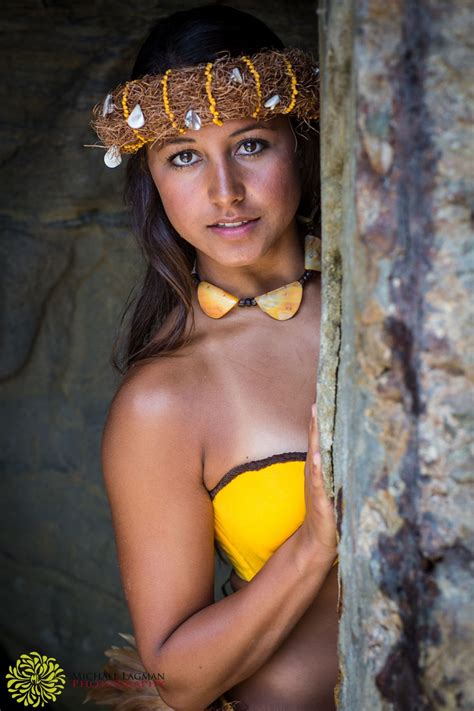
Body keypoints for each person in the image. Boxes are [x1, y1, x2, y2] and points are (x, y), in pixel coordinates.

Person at [86, 5, 339, 710]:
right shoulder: (163, 398)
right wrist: (314, 544)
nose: (224, 191)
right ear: (153, 178)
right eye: (185, 156)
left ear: (300, 141)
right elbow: (176, 679)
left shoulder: (393, 303)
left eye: (251, 144)